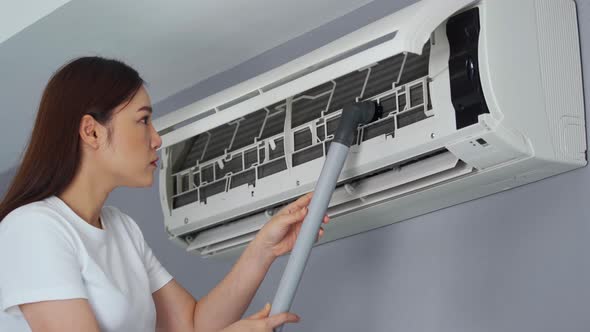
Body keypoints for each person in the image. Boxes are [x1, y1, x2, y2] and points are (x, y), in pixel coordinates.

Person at [0, 56, 329, 332]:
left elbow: (191, 324)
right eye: (143, 121)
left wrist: (263, 250)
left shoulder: (121, 228)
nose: (156, 139)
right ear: (92, 131)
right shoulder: (33, 229)